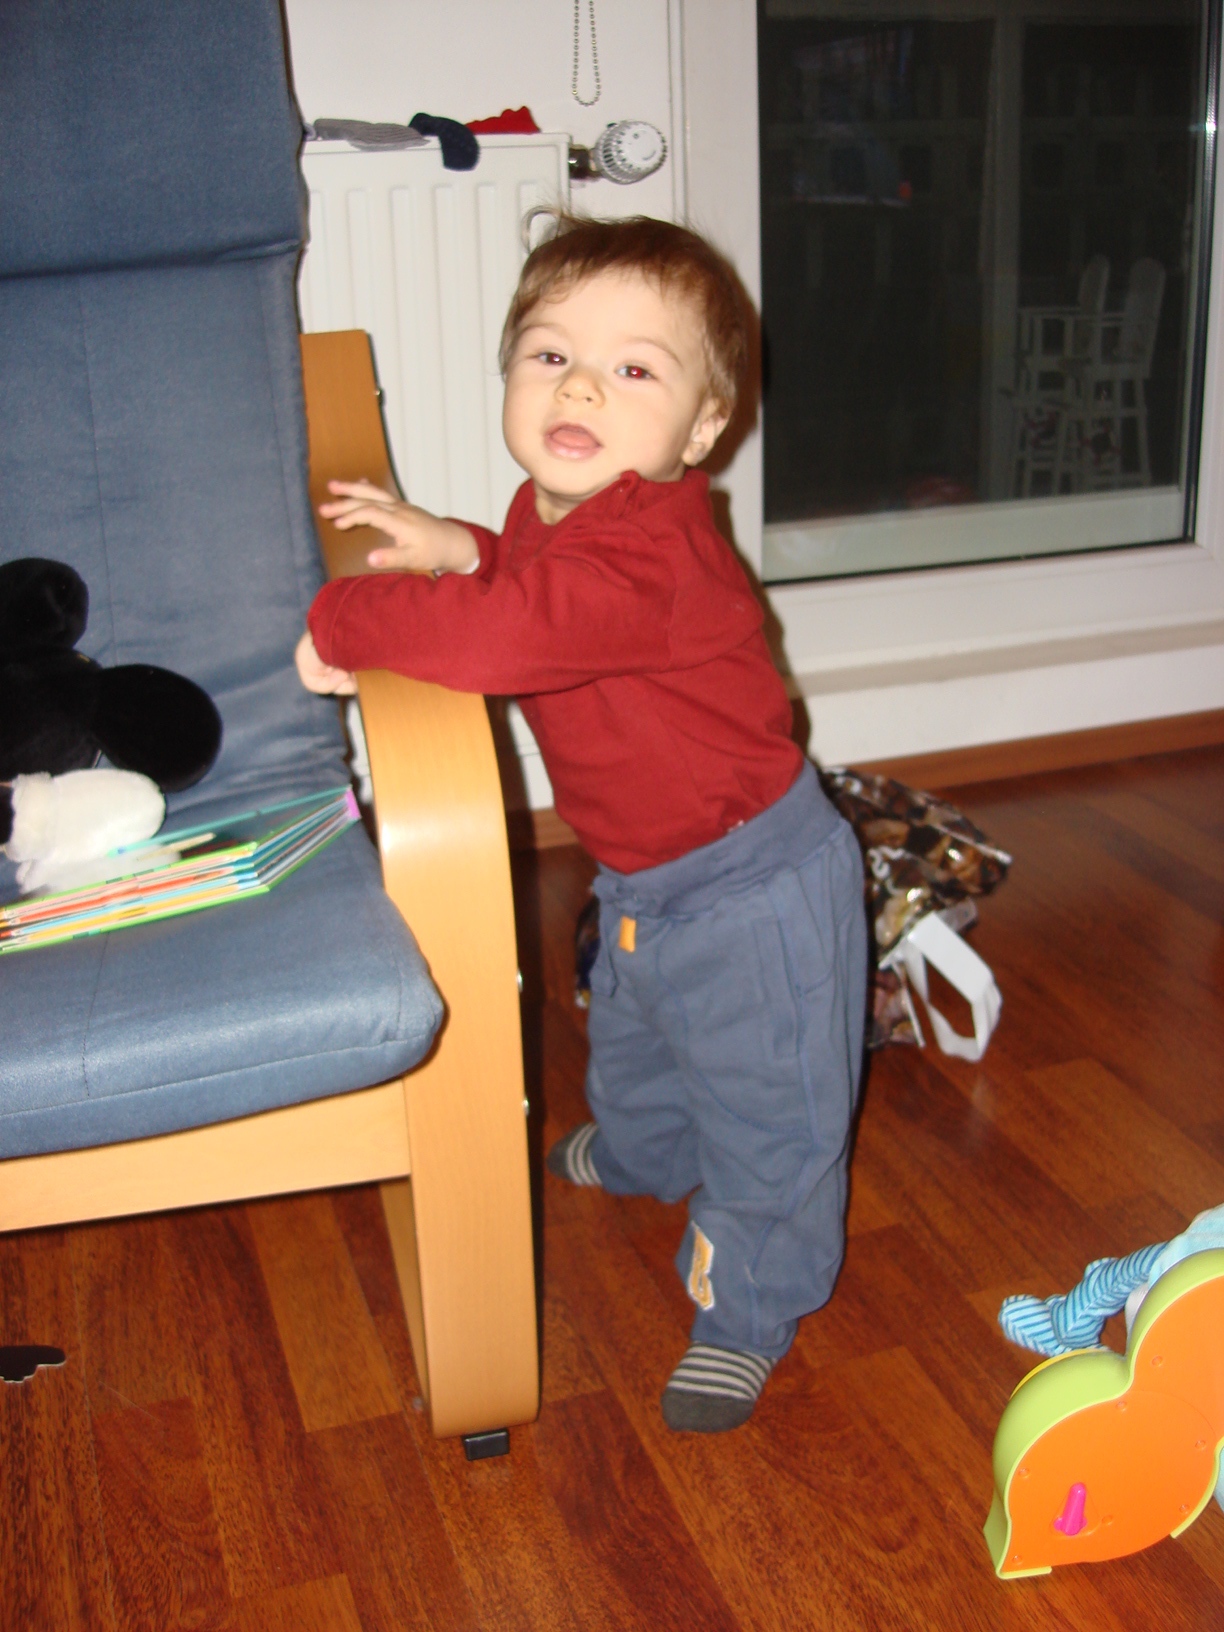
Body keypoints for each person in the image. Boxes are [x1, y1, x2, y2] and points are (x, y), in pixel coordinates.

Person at [296, 214, 868, 1432]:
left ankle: (749, 1310)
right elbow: (532, 586)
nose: (583, 387)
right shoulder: (556, 510)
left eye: (635, 369)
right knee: (637, 1037)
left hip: (754, 895)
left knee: (773, 1119)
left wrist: (344, 619)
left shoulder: (655, 556)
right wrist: (460, 545)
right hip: (645, 875)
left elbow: (514, 634)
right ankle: (649, 1154)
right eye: (550, 355)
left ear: (702, 429)